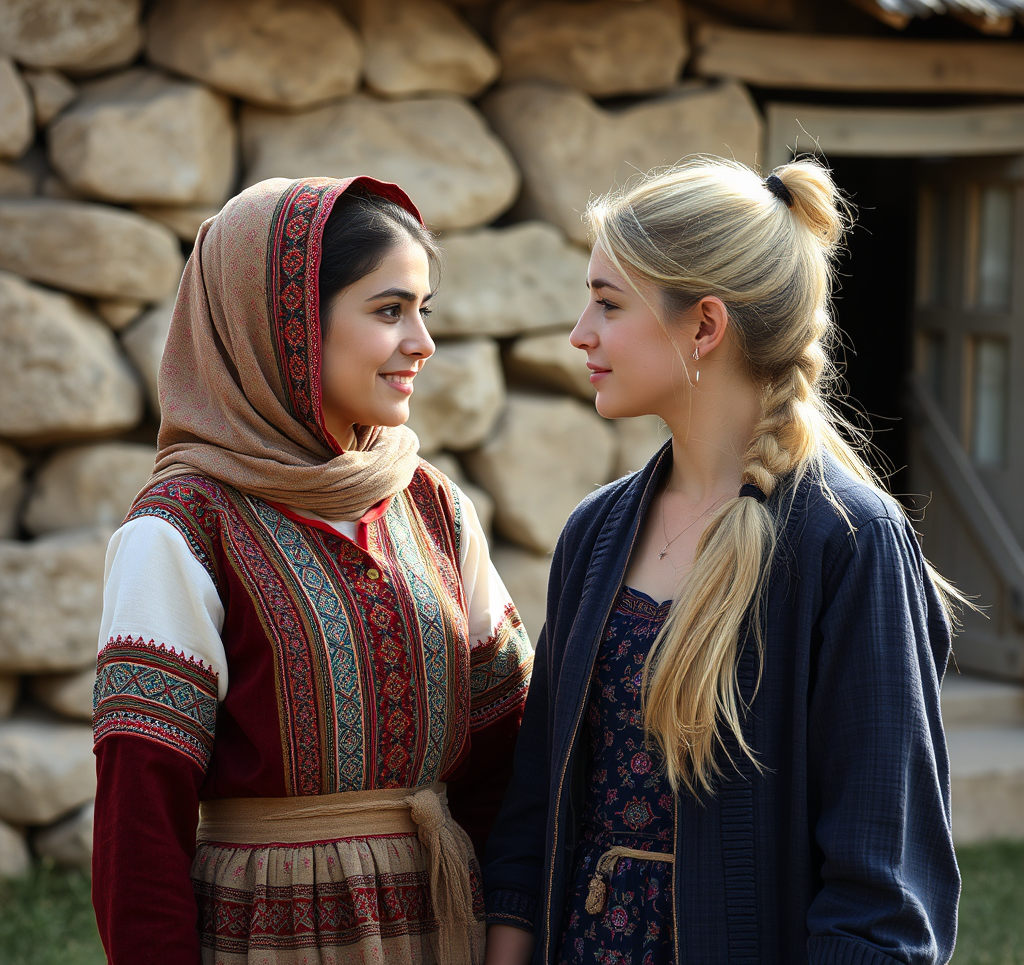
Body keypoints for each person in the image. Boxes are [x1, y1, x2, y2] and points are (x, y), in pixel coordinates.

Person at [483, 158, 960, 965]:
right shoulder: (593, 535)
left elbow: (881, 898)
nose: (579, 333)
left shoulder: (848, 544)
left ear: (704, 326)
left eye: (606, 303)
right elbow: (535, 815)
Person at [91, 175, 533, 965]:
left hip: (446, 932)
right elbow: (139, 826)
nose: (422, 343)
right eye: (389, 310)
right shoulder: (182, 528)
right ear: (287, 324)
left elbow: (506, 763)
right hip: (269, 939)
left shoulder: (432, 507)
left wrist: (509, 939)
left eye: (423, 311)